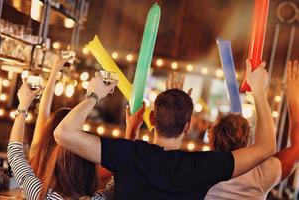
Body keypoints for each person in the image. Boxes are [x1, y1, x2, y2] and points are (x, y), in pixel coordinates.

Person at [54, 60, 275, 200]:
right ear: (187, 127)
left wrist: (94, 95)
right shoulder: (202, 167)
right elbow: (266, 147)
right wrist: (258, 91)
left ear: (152, 118)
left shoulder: (128, 155)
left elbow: (62, 133)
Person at [204, 60, 299, 200]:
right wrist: (293, 97)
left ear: (211, 138)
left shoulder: (198, 169)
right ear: (248, 140)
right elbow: (297, 147)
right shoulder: (262, 174)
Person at [7, 77, 113, 199]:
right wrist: (132, 133)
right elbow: (118, 181)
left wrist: (23, 106)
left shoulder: (41, 195)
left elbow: (15, 154)